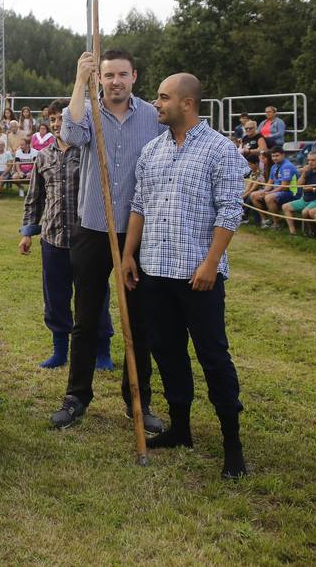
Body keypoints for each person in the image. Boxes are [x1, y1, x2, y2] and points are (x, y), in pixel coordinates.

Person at [121, 72, 249, 480]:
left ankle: (233, 444)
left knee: (213, 356)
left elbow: (230, 209)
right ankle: (181, 428)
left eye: (163, 98)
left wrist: (212, 262)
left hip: (198, 276)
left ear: (187, 104)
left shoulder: (219, 151)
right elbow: (139, 204)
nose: (155, 104)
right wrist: (128, 254)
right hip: (155, 270)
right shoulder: (153, 150)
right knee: (167, 351)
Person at [51, 48, 164, 434]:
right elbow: (69, 134)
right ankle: (76, 397)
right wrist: (80, 81)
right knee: (85, 317)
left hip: (136, 232)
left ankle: (139, 401)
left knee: (139, 319)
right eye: (107, 75)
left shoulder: (153, 117)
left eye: (122, 74)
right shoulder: (89, 112)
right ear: (99, 78)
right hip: (93, 229)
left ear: (134, 76)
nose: (115, 81)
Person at [20, 102, 114, 371]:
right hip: (52, 239)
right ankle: (60, 350)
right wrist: (28, 232)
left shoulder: (87, 153)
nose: (57, 123)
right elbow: (34, 199)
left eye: (62, 118)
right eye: (53, 119)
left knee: (95, 295)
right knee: (56, 297)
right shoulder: (43, 157)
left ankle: (102, 350)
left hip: (86, 238)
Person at [250, 146, 299, 230]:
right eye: (273, 156)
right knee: (254, 195)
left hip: (291, 193)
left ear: (283, 155)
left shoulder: (287, 166)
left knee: (269, 197)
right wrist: (264, 191)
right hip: (278, 191)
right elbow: (270, 182)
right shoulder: (274, 166)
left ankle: (277, 223)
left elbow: (284, 187)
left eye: (277, 156)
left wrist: (269, 193)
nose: (274, 158)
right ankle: (265, 221)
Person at [284, 152, 316, 235]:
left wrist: (313, 189)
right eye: (308, 160)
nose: (310, 162)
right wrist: (304, 173)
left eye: (313, 160)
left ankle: (312, 232)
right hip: (305, 199)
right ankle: (293, 233)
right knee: (285, 207)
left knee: (305, 212)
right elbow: (298, 185)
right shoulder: (308, 171)